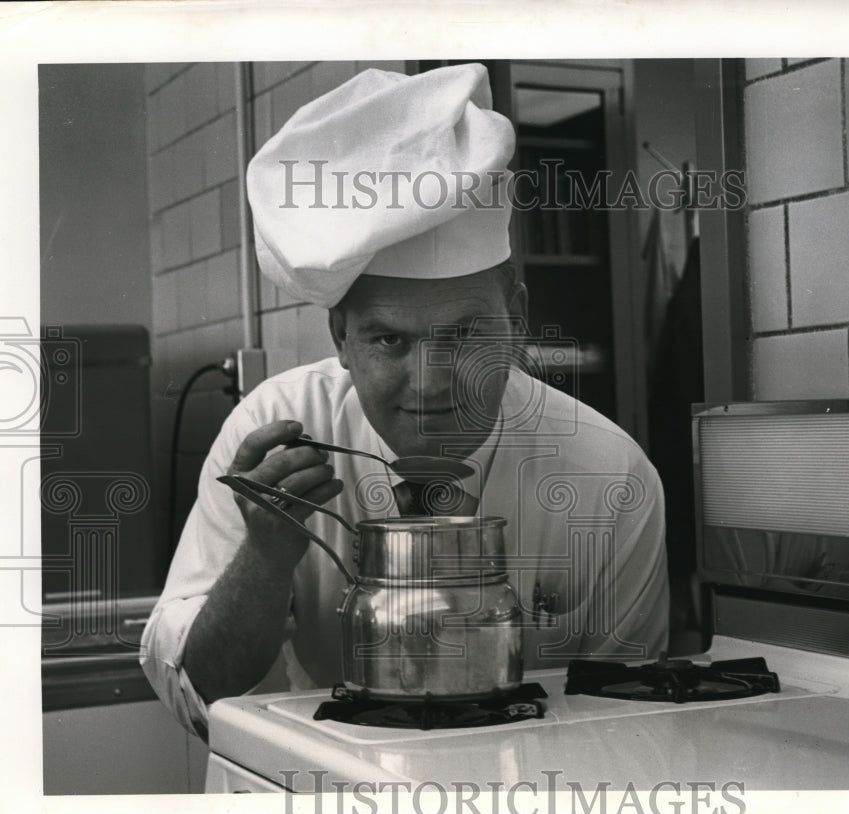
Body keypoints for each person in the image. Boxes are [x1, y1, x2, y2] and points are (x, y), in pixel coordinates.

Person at [141, 63, 670, 738]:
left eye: (465, 334)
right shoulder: (275, 435)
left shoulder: (608, 480)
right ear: (340, 335)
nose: (430, 382)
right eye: (389, 339)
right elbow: (199, 690)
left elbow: (627, 730)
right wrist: (267, 556)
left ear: (516, 316)